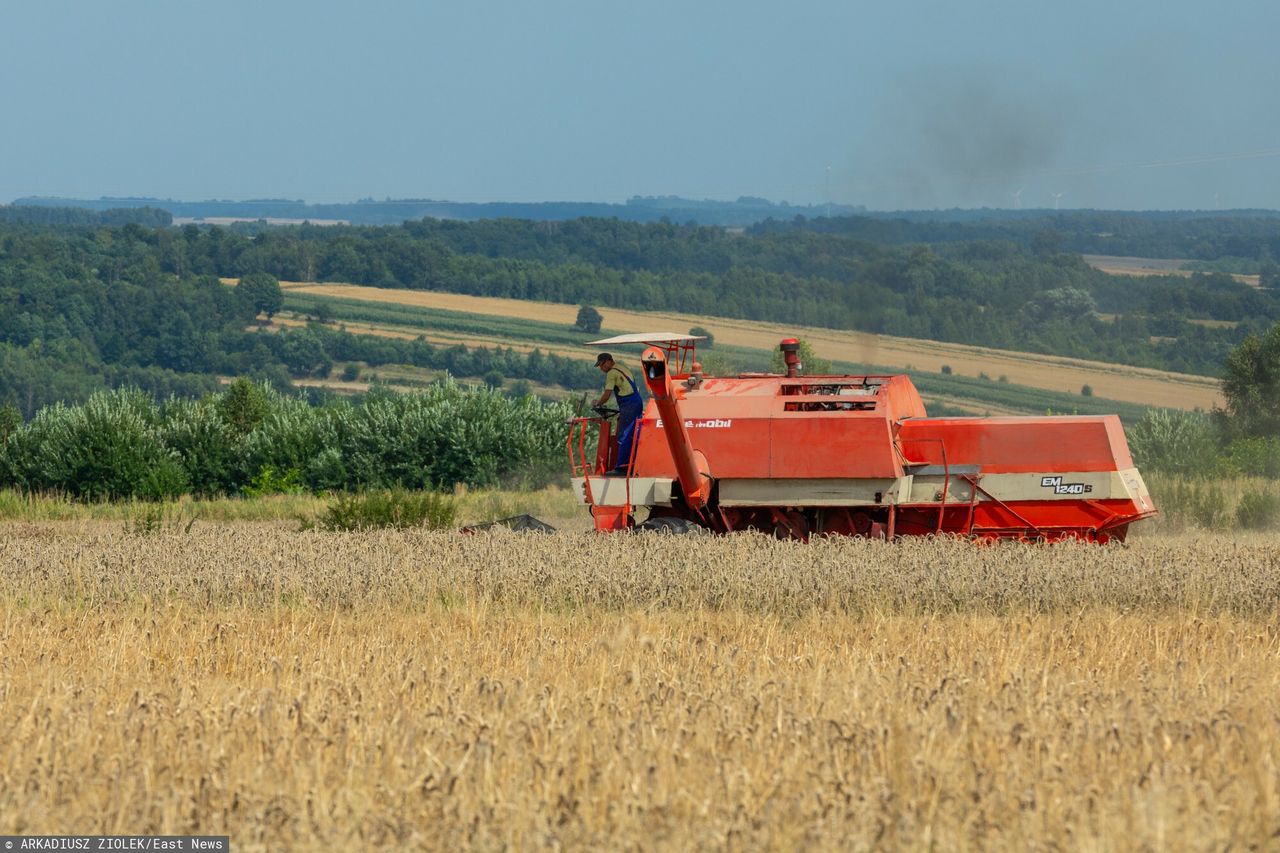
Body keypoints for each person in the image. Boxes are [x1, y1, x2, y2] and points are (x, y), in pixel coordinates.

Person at [593, 352, 643, 474]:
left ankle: (621, 468)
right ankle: (634, 463)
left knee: (623, 435)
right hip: (637, 402)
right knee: (634, 434)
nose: (601, 368)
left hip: (629, 404)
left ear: (609, 361)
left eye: (602, 365)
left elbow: (607, 394)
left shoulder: (611, 373)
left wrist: (597, 403)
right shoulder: (622, 368)